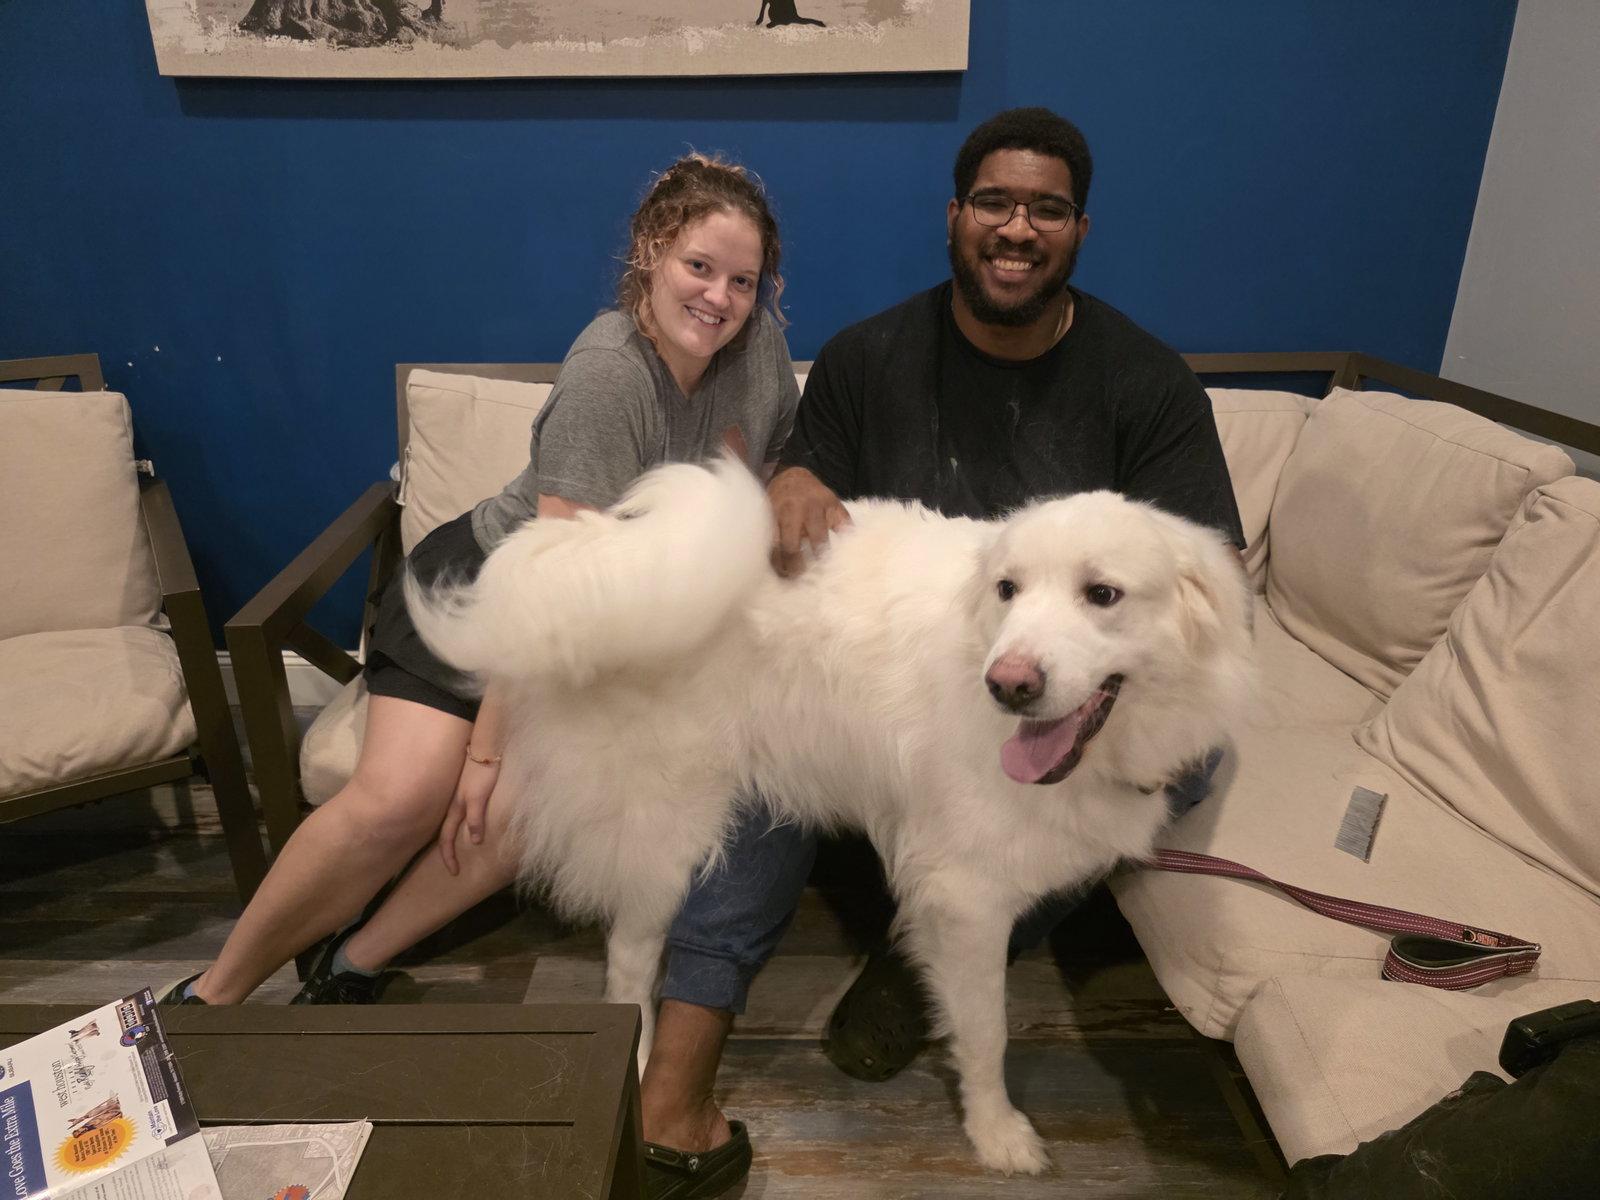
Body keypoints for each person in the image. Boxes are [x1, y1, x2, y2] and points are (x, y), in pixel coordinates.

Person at [159, 152, 797, 1198]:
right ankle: (216, 993)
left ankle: (349, 969)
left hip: (607, 626)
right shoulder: (606, 372)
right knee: (411, 794)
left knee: (523, 819)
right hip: (484, 598)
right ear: (647, 254)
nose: (719, 298)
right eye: (698, 267)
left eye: (743, 280)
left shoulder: (756, 343)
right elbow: (538, 592)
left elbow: (741, 464)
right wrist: (489, 749)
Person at [655, 105, 1249, 1112]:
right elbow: (809, 494)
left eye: (1046, 210)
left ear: (1079, 232)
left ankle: (945, 938)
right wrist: (793, 477)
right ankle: (675, 1076)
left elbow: (1211, 575)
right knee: (763, 753)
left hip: (1057, 688)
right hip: (902, 676)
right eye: (995, 202)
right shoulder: (867, 357)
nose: (1017, 229)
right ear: (954, 215)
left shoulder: (1145, 383)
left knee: (1194, 759)